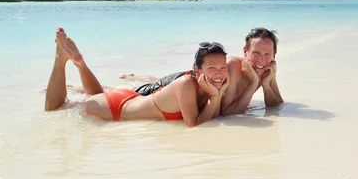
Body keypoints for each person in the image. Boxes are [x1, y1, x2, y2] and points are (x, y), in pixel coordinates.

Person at [44, 27, 229, 127]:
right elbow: (193, 124)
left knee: (95, 96)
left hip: (128, 98)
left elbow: (216, 115)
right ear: (197, 70)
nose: (219, 72)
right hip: (117, 108)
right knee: (56, 109)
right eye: (212, 67)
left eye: (223, 67)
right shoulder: (186, 84)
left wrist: (216, 93)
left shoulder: (207, 86)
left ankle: (80, 64)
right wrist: (215, 95)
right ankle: (60, 59)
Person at [121, 27, 284, 116]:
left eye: (267, 54)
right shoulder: (232, 66)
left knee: (155, 80)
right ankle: (125, 82)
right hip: (184, 82)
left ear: (273, 55)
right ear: (245, 52)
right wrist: (254, 83)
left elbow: (275, 104)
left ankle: (139, 76)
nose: (261, 61)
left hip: (193, 86)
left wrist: (266, 82)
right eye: (255, 53)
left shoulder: (266, 67)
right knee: (137, 94)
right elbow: (226, 113)